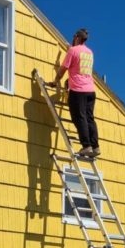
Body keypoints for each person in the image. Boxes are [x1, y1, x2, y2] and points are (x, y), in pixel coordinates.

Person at [48, 28, 100, 158]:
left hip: (78, 90)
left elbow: (63, 70)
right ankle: (95, 146)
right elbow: (78, 60)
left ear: (76, 37)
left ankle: (86, 146)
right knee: (89, 118)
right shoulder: (89, 52)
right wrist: (70, 49)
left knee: (78, 117)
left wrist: (55, 81)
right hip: (90, 91)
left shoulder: (72, 51)